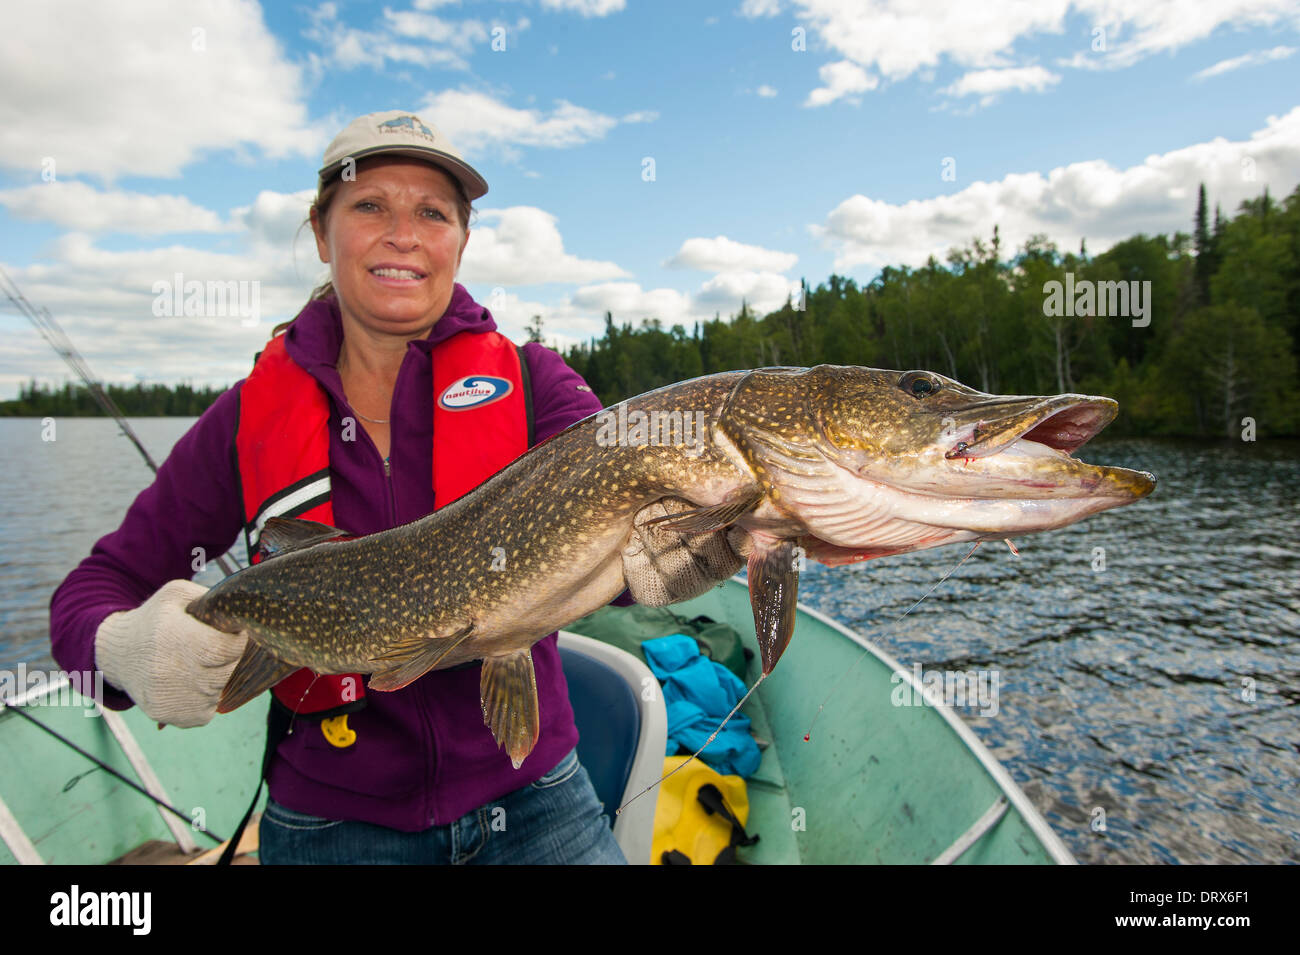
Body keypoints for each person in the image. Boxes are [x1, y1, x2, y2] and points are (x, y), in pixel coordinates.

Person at [49, 110, 743, 865]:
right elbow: (91, 590)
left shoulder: (538, 387)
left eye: (432, 212)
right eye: (370, 204)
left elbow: (619, 566)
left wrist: (720, 534)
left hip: (536, 799)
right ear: (322, 231)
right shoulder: (247, 418)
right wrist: (122, 649)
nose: (402, 234)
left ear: (461, 241)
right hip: (331, 827)